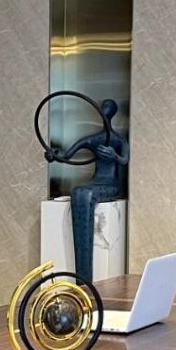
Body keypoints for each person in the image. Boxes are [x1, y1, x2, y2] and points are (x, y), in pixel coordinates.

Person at [43, 99, 129, 282]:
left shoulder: (119, 140)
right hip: (95, 182)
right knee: (79, 192)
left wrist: (114, 155)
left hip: (111, 184)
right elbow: (66, 156)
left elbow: (124, 160)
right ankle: (82, 279)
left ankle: (84, 279)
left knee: (84, 193)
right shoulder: (94, 140)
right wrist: (53, 155)